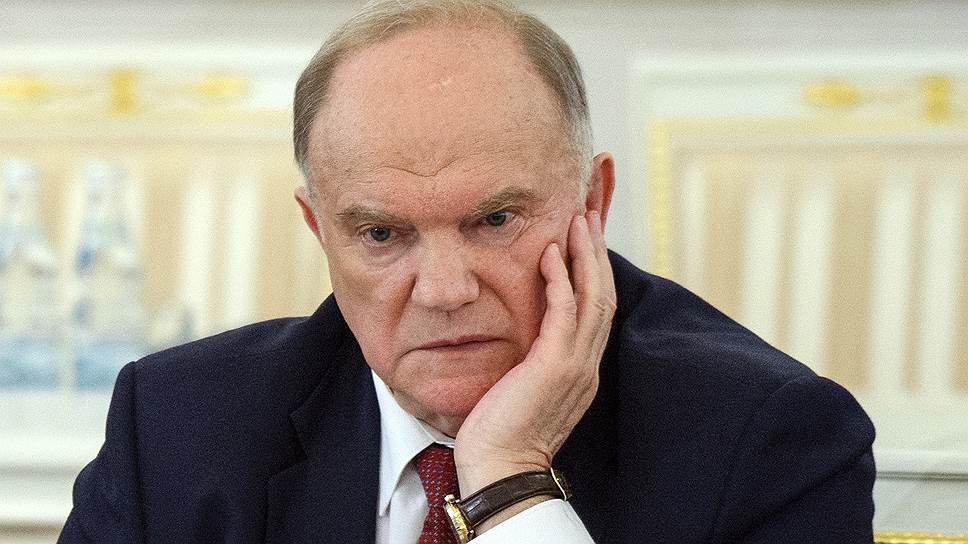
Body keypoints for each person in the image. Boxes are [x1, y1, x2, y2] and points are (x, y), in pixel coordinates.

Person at [59, 1, 876, 543]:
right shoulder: (175, 429)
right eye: (382, 234)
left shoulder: (768, 441)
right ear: (320, 230)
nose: (445, 291)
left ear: (592, 202)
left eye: (495, 221)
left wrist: (509, 480)